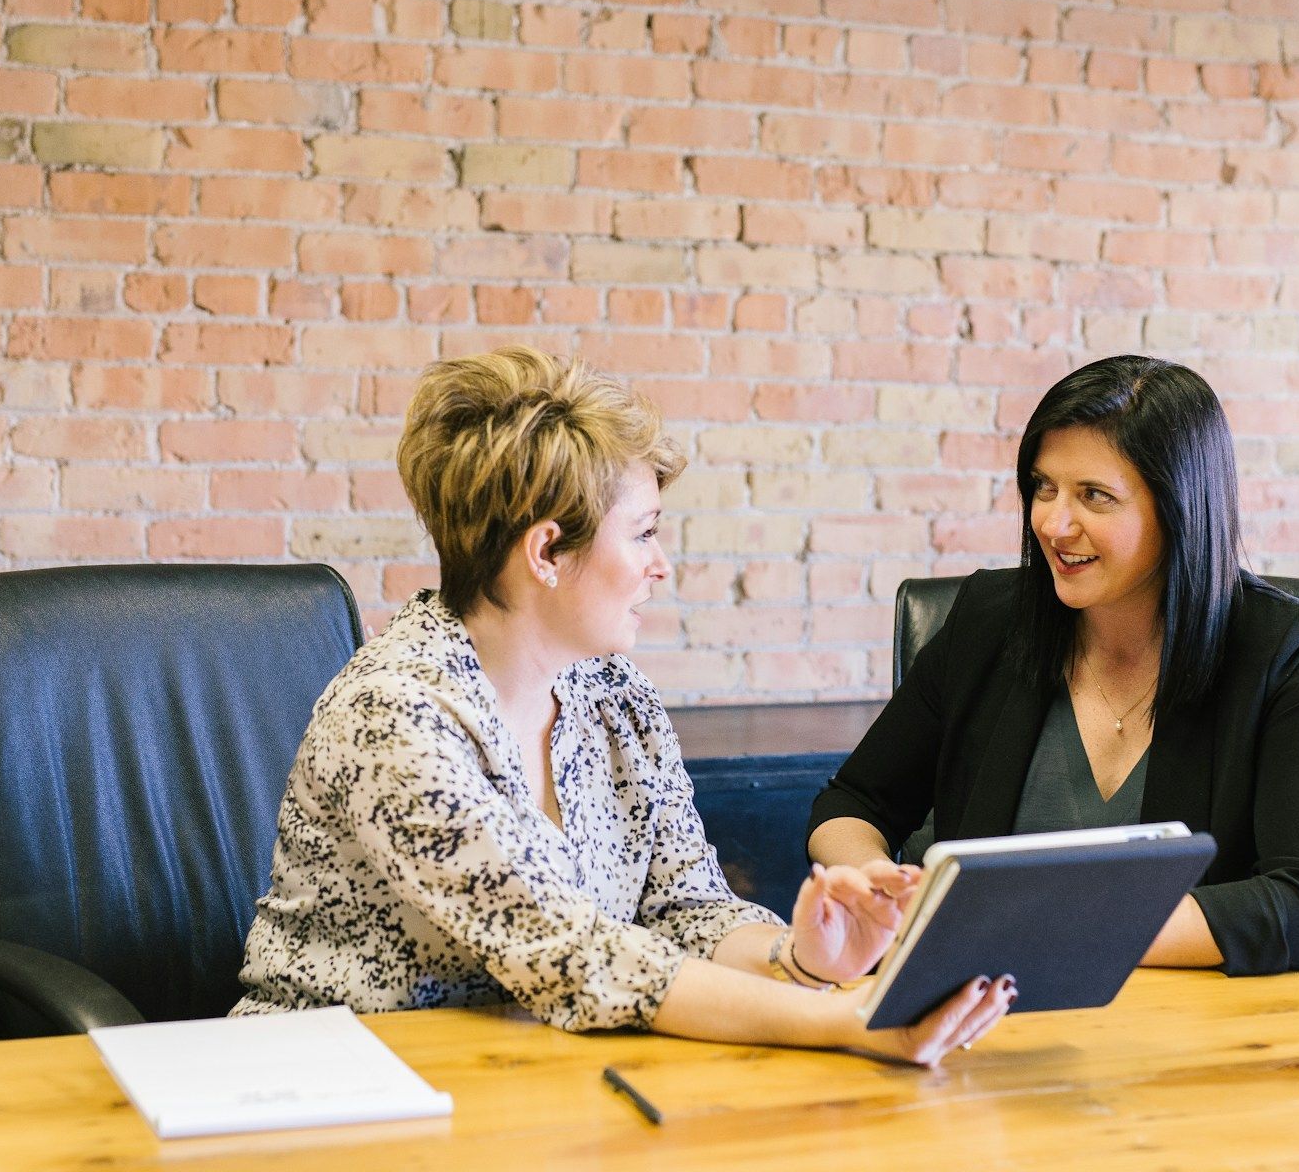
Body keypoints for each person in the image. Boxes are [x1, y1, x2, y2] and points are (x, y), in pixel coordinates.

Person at [234, 346, 1011, 1063]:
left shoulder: (613, 694)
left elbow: (686, 907)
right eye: (642, 534)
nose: (661, 566)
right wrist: (847, 1020)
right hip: (331, 1085)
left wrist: (802, 958)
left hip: (533, 1075)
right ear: (546, 552)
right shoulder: (394, 715)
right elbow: (574, 954)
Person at [807, 355, 1299, 975]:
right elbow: (852, 803)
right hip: (981, 1015)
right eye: (1044, 488)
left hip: (1196, 1028)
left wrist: (1041, 930)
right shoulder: (989, 621)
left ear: (1179, 507)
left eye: (1094, 496)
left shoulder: (1289, 652)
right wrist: (873, 885)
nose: (1052, 522)